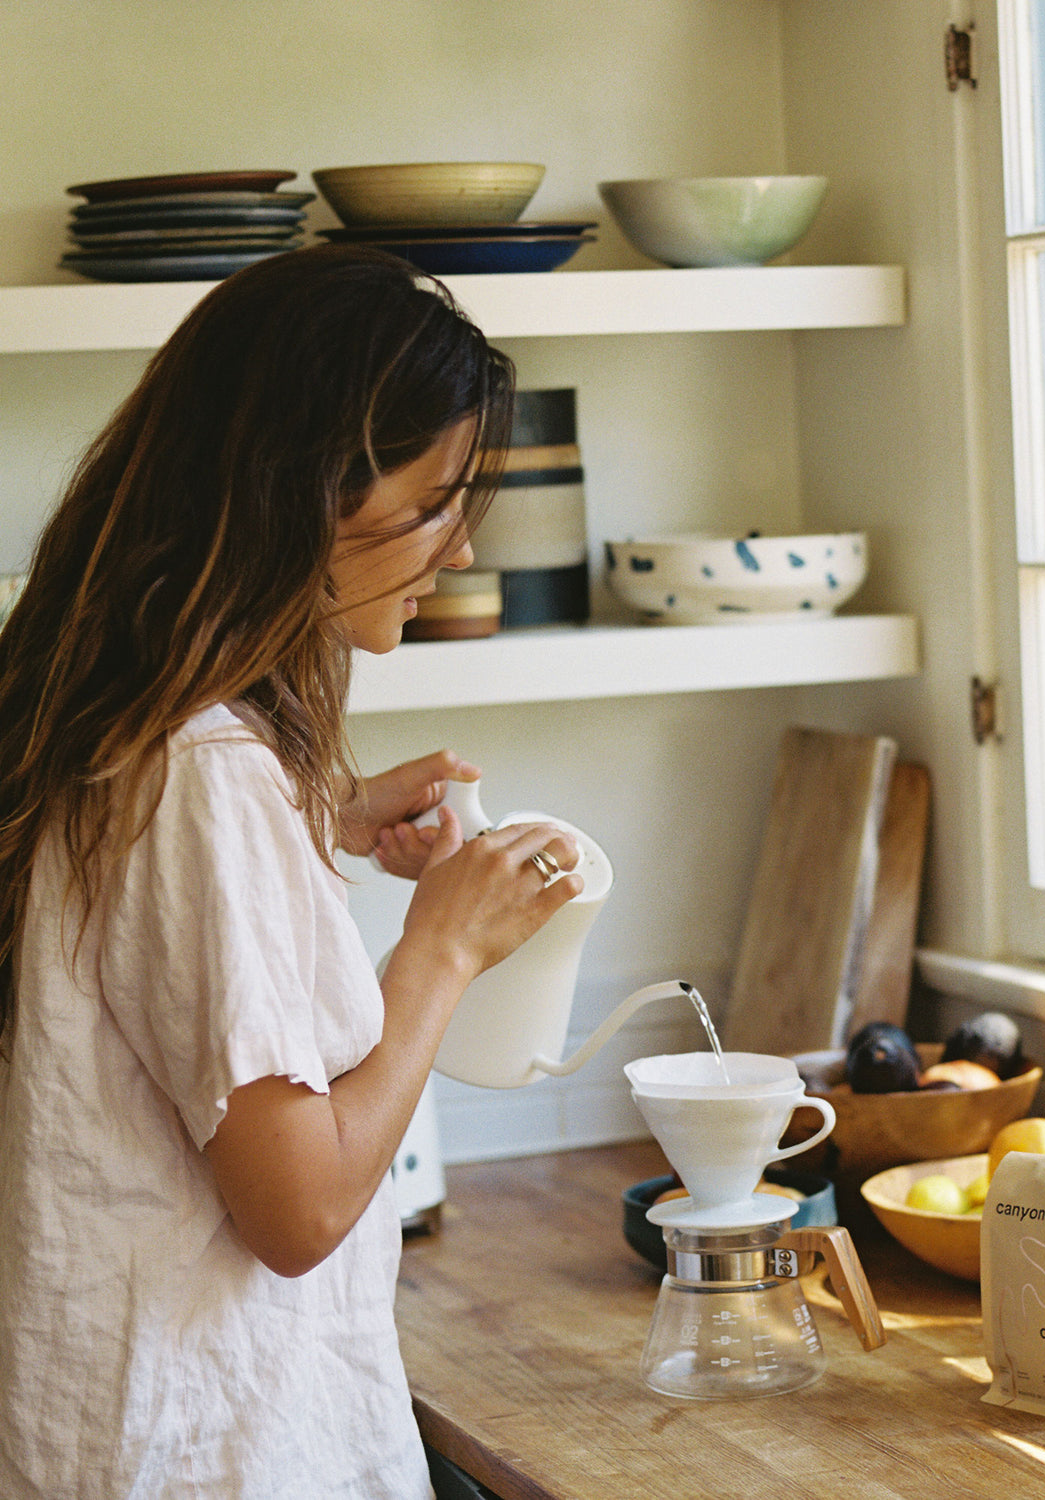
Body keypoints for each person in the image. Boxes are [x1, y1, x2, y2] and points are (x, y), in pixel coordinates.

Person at [0, 243, 583, 1499]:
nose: (462, 549)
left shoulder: (127, 726)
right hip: (212, 1458)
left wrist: (319, 818)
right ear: (308, 490)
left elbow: (121, 932)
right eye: (434, 502)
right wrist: (444, 949)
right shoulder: (205, 774)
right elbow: (300, 1210)